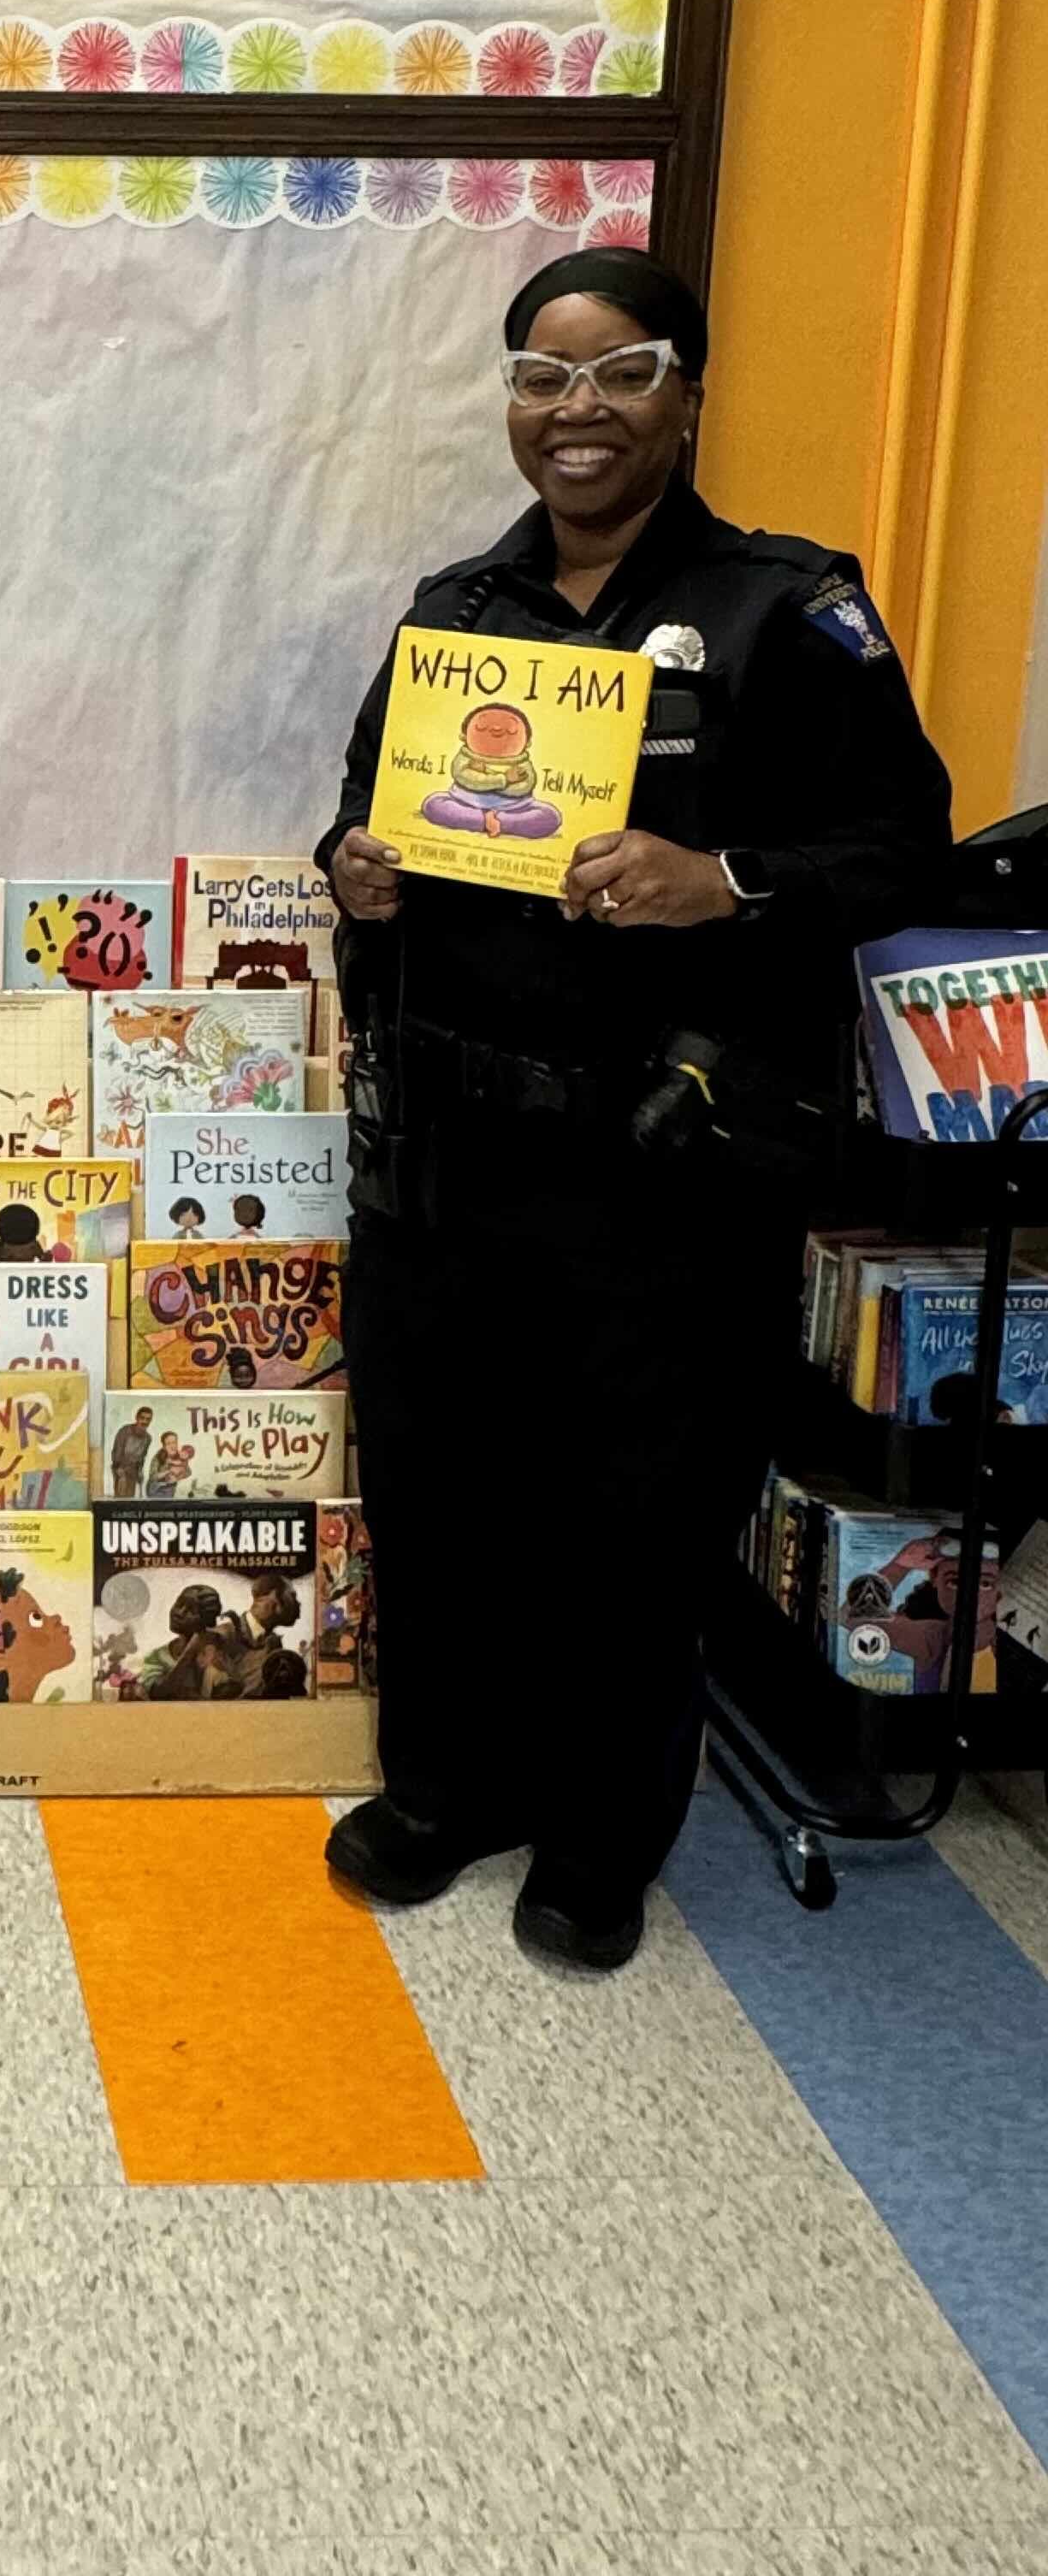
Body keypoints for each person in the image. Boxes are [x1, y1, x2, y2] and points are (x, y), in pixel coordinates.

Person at [317, 245, 951, 1970]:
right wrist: (356, 869)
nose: (573, 411)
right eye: (543, 375)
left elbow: (904, 851)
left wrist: (723, 880)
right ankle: (449, 1789)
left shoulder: (783, 608)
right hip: (447, 1158)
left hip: (660, 1171)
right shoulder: (460, 611)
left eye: (618, 373)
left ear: (687, 393)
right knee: (443, 1496)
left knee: (632, 1516)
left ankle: (600, 1840)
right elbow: (356, 816)